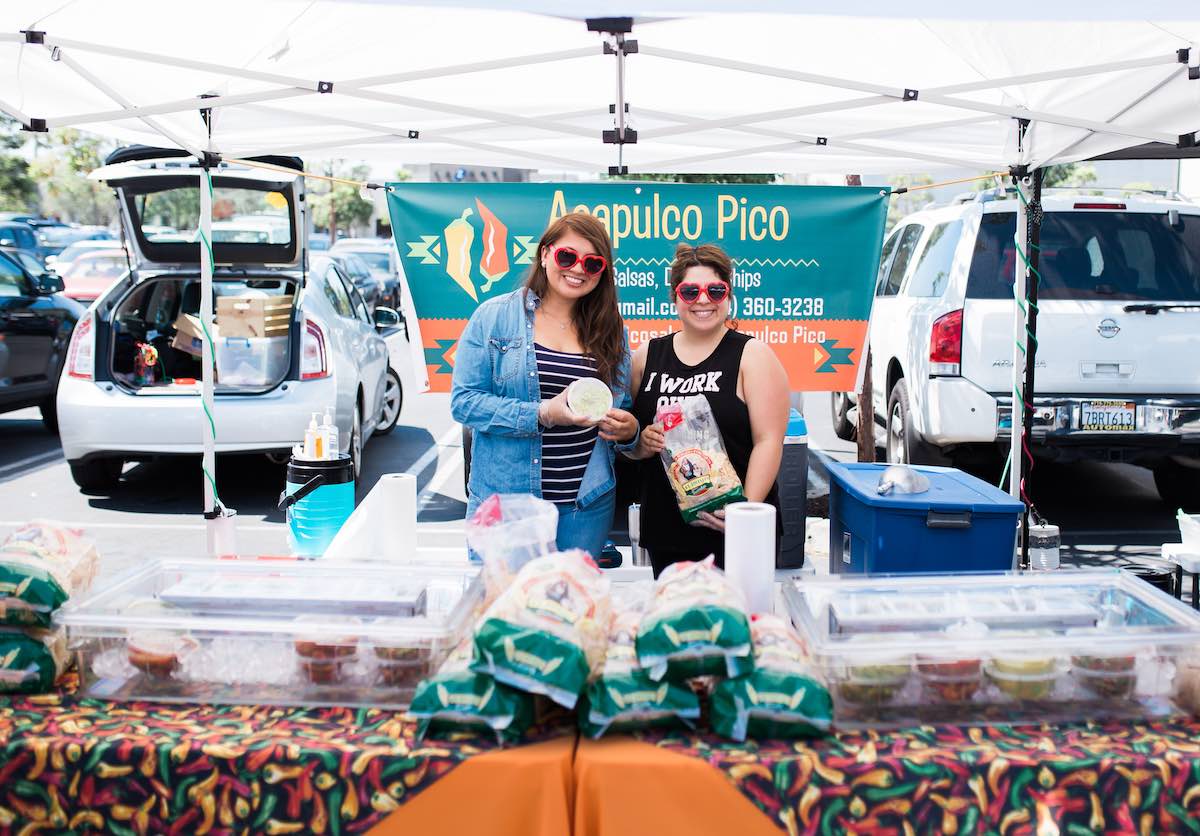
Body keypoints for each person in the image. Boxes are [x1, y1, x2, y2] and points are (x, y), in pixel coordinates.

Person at [451, 212, 640, 557]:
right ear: (545, 254)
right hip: (508, 506)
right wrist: (543, 413)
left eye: (592, 262)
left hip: (585, 507)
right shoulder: (494, 317)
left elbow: (620, 408)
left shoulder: (612, 331)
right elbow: (464, 403)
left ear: (603, 272)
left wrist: (628, 431)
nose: (578, 268)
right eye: (567, 256)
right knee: (505, 607)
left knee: (571, 608)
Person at [626, 243, 789, 577]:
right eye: (690, 291)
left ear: (728, 296)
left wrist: (743, 513)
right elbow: (629, 439)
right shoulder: (646, 356)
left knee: (737, 625)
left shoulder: (752, 355)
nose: (703, 300)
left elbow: (769, 441)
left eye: (715, 290)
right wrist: (640, 444)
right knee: (675, 624)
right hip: (668, 529)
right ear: (674, 297)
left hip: (736, 529)